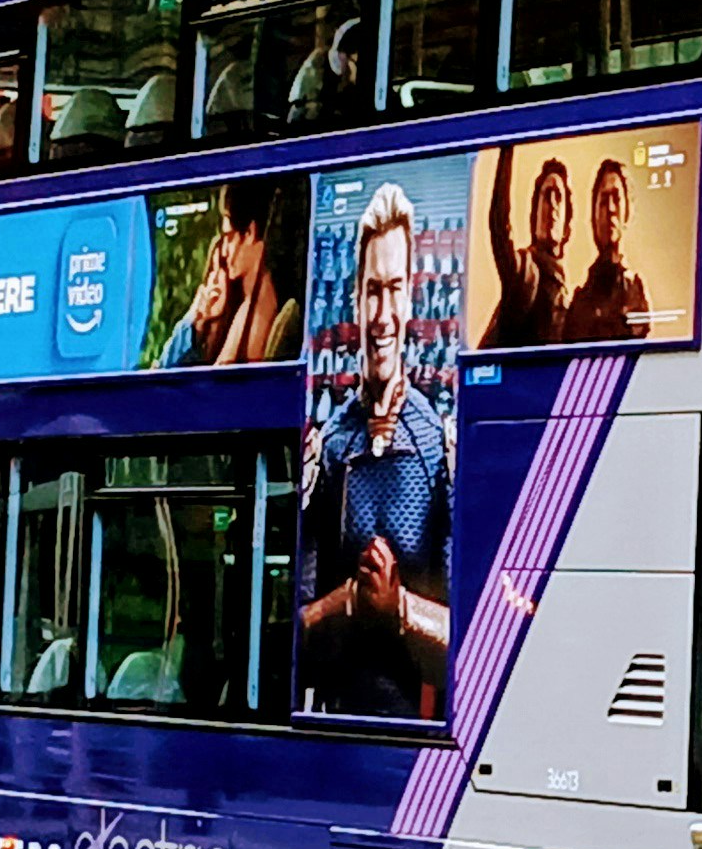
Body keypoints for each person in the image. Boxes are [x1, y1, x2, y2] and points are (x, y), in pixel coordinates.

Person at [296, 185, 454, 719]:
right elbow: (293, 628)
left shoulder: (438, 450)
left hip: (424, 742)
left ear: (411, 296)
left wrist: (399, 610)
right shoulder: (331, 445)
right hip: (333, 730)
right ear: (355, 300)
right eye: (371, 291)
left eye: (394, 289)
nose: (383, 314)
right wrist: (350, 605)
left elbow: (474, 637)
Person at [159, 176, 303, 368]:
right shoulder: (240, 308)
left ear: (250, 233)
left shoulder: (263, 309)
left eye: (229, 236)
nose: (225, 251)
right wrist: (200, 320)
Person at [479, 146, 575, 351]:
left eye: (558, 196)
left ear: (567, 225)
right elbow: (499, 226)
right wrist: (507, 147)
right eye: (546, 196)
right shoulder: (524, 269)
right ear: (534, 216)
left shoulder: (568, 296)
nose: (552, 205)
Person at [559, 156, 653, 345]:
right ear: (593, 217)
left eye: (616, 199)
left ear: (627, 212)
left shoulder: (636, 292)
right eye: (603, 201)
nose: (610, 209)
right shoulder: (579, 302)